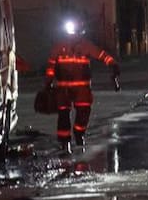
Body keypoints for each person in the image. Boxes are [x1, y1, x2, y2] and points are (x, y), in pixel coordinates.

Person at [44, 19, 120, 154]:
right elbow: (51, 65)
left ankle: (79, 134)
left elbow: (101, 55)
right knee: (63, 115)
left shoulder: (85, 46)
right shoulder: (59, 46)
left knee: (83, 112)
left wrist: (112, 64)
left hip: (81, 88)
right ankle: (65, 141)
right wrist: (48, 82)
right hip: (64, 88)